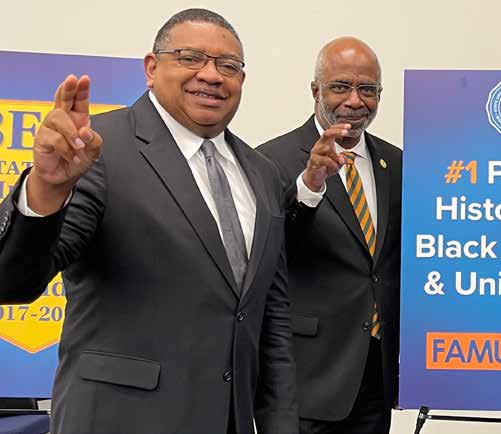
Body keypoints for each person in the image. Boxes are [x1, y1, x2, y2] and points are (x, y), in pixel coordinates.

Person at [0, 9, 297, 434]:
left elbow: (272, 316)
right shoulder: (97, 151)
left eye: (228, 65)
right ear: (152, 68)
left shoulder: (263, 172)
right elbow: (12, 281)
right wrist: (46, 190)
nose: (211, 75)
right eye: (191, 58)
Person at [258, 37, 400, 434]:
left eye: (367, 89)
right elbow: (266, 257)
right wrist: (310, 187)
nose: (355, 101)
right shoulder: (270, 160)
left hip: (377, 375)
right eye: (341, 87)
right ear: (316, 91)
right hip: (308, 377)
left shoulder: (398, 162)